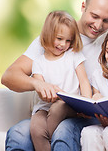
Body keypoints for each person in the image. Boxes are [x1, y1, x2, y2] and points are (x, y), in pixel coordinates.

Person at [1, 0, 108, 151]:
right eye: (94, 16)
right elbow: (9, 76)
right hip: (47, 113)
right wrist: (38, 84)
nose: (98, 25)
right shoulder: (52, 38)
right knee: (19, 133)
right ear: (83, 6)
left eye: (107, 20)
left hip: (82, 117)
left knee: (63, 130)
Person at [30, 10, 92, 150]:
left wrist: (86, 104)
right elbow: (41, 89)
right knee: (36, 128)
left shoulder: (73, 55)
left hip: (70, 106)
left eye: (68, 40)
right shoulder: (38, 62)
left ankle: (52, 139)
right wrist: (51, 91)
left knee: (59, 106)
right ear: (47, 34)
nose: (63, 44)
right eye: (59, 38)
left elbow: (84, 82)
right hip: (45, 107)